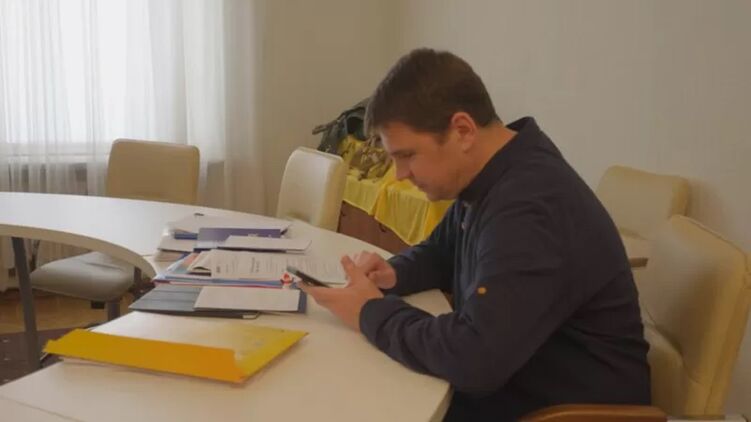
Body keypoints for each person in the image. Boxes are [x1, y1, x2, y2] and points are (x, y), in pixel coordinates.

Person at [298, 48, 651, 421]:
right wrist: (393, 273)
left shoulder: (529, 205)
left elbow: (474, 358)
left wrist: (371, 312)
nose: (400, 174)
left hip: (559, 409)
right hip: (520, 379)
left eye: (407, 155)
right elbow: (441, 251)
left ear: (463, 131)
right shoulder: (493, 175)